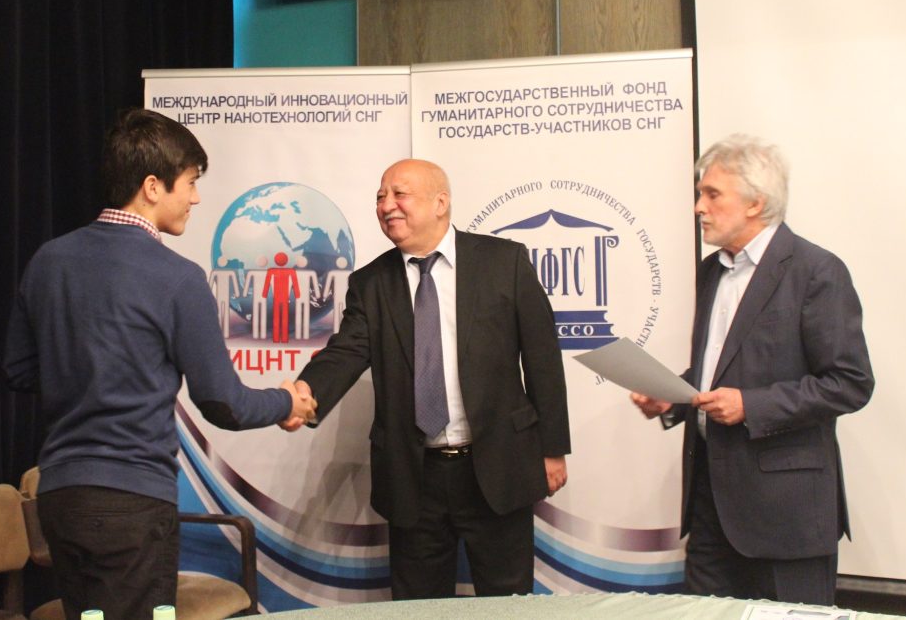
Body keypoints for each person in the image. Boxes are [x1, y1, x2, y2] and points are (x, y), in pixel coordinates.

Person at [4, 108, 316, 620]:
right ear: (153, 186)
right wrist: (287, 402)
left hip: (59, 499)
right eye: (190, 183)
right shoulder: (177, 277)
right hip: (131, 504)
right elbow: (224, 403)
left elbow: (18, 370)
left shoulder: (48, 261)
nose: (195, 198)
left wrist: (85, 372)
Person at [286, 158, 571, 599]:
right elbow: (346, 352)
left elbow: (543, 360)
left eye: (399, 194)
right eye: (380, 197)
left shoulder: (504, 262)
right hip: (413, 477)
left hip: (497, 465)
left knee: (508, 602)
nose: (386, 205)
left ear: (440, 203)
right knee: (418, 606)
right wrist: (305, 393)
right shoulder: (370, 283)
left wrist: (552, 449)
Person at [631, 134, 874, 605]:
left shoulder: (816, 271)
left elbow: (850, 382)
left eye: (712, 194)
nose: (699, 207)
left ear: (755, 202)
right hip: (710, 510)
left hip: (786, 516)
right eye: (699, 194)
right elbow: (722, 367)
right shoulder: (711, 271)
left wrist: (752, 405)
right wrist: (674, 396)